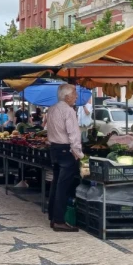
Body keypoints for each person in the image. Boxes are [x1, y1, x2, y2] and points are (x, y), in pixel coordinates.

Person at [46, 84, 82, 233]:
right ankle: (59, 220)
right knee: (63, 187)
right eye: (74, 93)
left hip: (54, 149)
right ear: (67, 97)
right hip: (66, 150)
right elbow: (73, 133)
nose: (76, 96)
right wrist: (77, 152)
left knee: (56, 183)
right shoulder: (68, 111)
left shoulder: (52, 109)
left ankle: (53, 216)